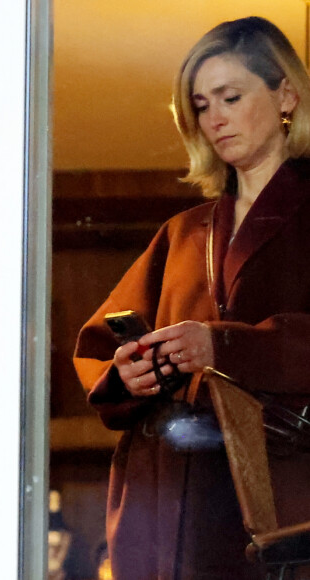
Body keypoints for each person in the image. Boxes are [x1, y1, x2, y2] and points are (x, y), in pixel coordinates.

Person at [74, 16, 310, 580]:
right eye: (201, 105)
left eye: (231, 96)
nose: (216, 118)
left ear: (286, 94)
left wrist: (222, 346)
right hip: (172, 507)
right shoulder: (183, 233)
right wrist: (128, 372)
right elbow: (100, 348)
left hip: (280, 499)